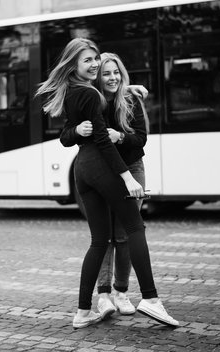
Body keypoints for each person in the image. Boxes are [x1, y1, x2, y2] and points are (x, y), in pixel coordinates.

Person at [35, 37, 178, 329]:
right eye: (87, 60)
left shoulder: (76, 91)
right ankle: (150, 299)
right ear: (74, 63)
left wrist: (128, 89)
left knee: (99, 241)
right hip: (100, 166)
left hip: (82, 171)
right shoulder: (88, 94)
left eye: (95, 58)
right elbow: (100, 138)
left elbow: (113, 108)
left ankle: (82, 312)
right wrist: (127, 177)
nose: (95, 64)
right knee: (135, 227)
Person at [59, 52, 149, 320]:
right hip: (102, 172)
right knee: (103, 238)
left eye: (116, 73)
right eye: (106, 73)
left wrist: (120, 136)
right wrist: (77, 131)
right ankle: (104, 296)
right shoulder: (91, 99)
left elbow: (141, 140)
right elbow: (64, 135)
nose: (112, 78)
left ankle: (121, 292)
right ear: (97, 77)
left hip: (131, 168)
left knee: (123, 235)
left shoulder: (130, 99)